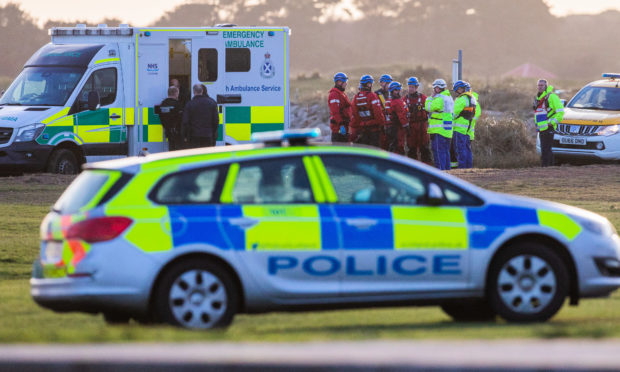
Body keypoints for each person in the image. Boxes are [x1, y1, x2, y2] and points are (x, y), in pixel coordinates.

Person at [425, 79, 454, 170]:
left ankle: (440, 172)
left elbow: (428, 107)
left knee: (438, 152)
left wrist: (430, 98)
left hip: (439, 130)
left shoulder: (440, 98)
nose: (434, 89)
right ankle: (447, 172)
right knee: (445, 152)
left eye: (435, 87)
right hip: (447, 130)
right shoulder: (449, 97)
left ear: (438, 88)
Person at [534, 79, 563, 167]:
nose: (540, 87)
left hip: (549, 127)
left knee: (546, 149)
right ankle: (549, 167)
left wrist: (552, 122)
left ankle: (546, 167)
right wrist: (536, 124)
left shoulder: (552, 96)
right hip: (541, 128)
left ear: (546, 86)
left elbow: (560, 112)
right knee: (544, 149)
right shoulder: (538, 98)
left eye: (541, 85)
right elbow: (538, 113)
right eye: (538, 85)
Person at [350, 75, 385, 147]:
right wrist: (382, 123)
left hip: (363, 131)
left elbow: (354, 114)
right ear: (369, 84)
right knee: (375, 153)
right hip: (374, 130)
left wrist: (361, 125)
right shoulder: (372, 96)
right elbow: (378, 114)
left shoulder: (356, 97)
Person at [403, 77, 432, 164]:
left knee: (425, 149)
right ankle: (413, 170)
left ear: (416, 87)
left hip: (422, 127)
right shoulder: (404, 99)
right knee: (411, 149)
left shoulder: (423, 98)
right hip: (411, 127)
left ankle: (428, 169)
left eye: (412, 87)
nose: (410, 89)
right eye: (409, 86)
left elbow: (430, 111)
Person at [182, 84, 219, 148]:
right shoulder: (212, 102)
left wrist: (186, 135)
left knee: (196, 155)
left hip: (194, 136)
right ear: (202, 91)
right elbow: (216, 121)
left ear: (193, 92)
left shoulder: (189, 104)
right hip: (208, 135)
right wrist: (212, 132)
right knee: (207, 156)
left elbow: (185, 122)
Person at [452, 80, 477, 169]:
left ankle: (461, 168)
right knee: (467, 150)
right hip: (467, 128)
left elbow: (453, 113)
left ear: (464, 89)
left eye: (459, 89)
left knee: (459, 150)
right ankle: (468, 168)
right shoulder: (472, 98)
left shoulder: (461, 99)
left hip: (459, 128)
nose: (457, 92)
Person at [328, 72, 352, 142]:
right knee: (339, 150)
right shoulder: (334, 94)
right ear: (339, 82)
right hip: (338, 128)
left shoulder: (341, 94)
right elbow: (335, 111)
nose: (346, 83)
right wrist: (341, 125)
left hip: (345, 126)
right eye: (345, 81)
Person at [158, 86, 183, 151]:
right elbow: (181, 118)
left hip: (167, 130)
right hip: (177, 131)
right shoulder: (178, 104)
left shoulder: (163, 103)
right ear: (176, 93)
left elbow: (161, 116)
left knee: (171, 147)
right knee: (177, 149)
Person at [386, 81, 408, 154]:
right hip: (397, 127)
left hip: (389, 127)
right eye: (397, 90)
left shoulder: (388, 101)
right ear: (392, 91)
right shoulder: (397, 101)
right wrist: (406, 126)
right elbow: (401, 116)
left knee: (392, 145)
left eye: (399, 90)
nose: (398, 92)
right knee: (399, 146)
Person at [375, 74, 392, 150]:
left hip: (391, 122)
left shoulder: (393, 93)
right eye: (387, 83)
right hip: (381, 123)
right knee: (382, 145)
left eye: (390, 83)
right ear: (381, 83)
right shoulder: (376, 94)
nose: (389, 85)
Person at [467, 82, 481, 153]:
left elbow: (472, 117)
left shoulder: (474, 103)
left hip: (467, 132)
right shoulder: (474, 103)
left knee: (466, 151)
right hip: (467, 132)